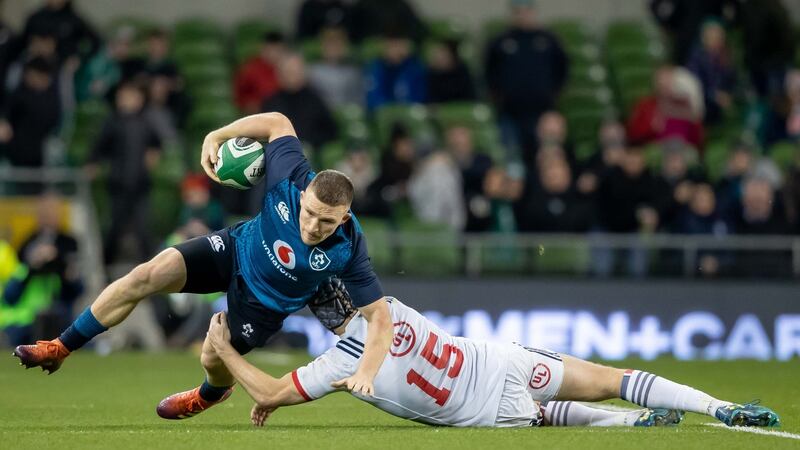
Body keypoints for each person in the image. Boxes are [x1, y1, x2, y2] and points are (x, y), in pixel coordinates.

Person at [14, 112, 393, 421]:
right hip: (234, 248)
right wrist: (216, 134)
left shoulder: (349, 246)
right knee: (146, 274)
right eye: (309, 213)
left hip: (265, 304)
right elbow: (278, 121)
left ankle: (209, 394)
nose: (312, 226)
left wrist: (365, 372)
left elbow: (379, 316)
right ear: (305, 193)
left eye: (325, 222)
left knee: (213, 357)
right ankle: (60, 347)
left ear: (344, 219)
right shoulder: (291, 176)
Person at [201, 280, 780, 429]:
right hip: (497, 359)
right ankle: (720, 407)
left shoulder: (337, 366)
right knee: (612, 376)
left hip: (481, 409)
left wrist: (226, 350)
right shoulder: (393, 306)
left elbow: (271, 391)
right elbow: (376, 324)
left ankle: (631, 426)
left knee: (544, 418)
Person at [85, 81, 161, 264]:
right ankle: (105, 268)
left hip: (141, 184)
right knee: (114, 228)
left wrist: (153, 155)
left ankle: (150, 270)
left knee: (143, 230)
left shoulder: (146, 122)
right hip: (118, 184)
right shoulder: (112, 122)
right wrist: (92, 163)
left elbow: (157, 143)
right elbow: (99, 146)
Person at [484, 0, 568, 158]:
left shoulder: (548, 40)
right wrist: (500, 96)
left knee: (545, 157)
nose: (522, 15)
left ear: (533, 13)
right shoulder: (501, 41)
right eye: (518, 11)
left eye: (526, 11)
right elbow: (490, 72)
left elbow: (562, 69)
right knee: (511, 156)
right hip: (510, 112)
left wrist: (552, 93)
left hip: (543, 110)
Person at [261, 52, 337, 152]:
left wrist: (308, 143)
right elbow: (262, 134)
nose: (292, 77)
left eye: (296, 72)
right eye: (288, 72)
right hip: (279, 153)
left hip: (309, 154)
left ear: (304, 74)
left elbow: (331, 132)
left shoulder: (316, 100)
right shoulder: (270, 102)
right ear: (279, 75)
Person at [0, 57, 61, 168]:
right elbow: (7, 116)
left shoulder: (52, 98)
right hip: (15, 153)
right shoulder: (19, 94)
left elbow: (54, 120)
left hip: (40, 154)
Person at [365, 29, 427, 111]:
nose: (395, 50)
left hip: (409, 114)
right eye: (391, 45)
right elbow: (373, 97)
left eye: (399, 45)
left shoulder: (416, 69)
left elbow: (420, 97)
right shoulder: (374, 68)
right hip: (383, 115)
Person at [307, 26, 363, 109]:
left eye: (337, 43)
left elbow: (359, 102)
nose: (333, 48)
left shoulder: (353, 72)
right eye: (329, 43)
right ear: (322, 46)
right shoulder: (312, 72)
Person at [233, 32, 285, 114]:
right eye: (270, 49)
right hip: (258, 115)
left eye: (277, 50)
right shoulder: (250, 69)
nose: (273, 54)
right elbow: (240, 96)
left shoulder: (288, 69)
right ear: (263, 48)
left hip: (283, 113)